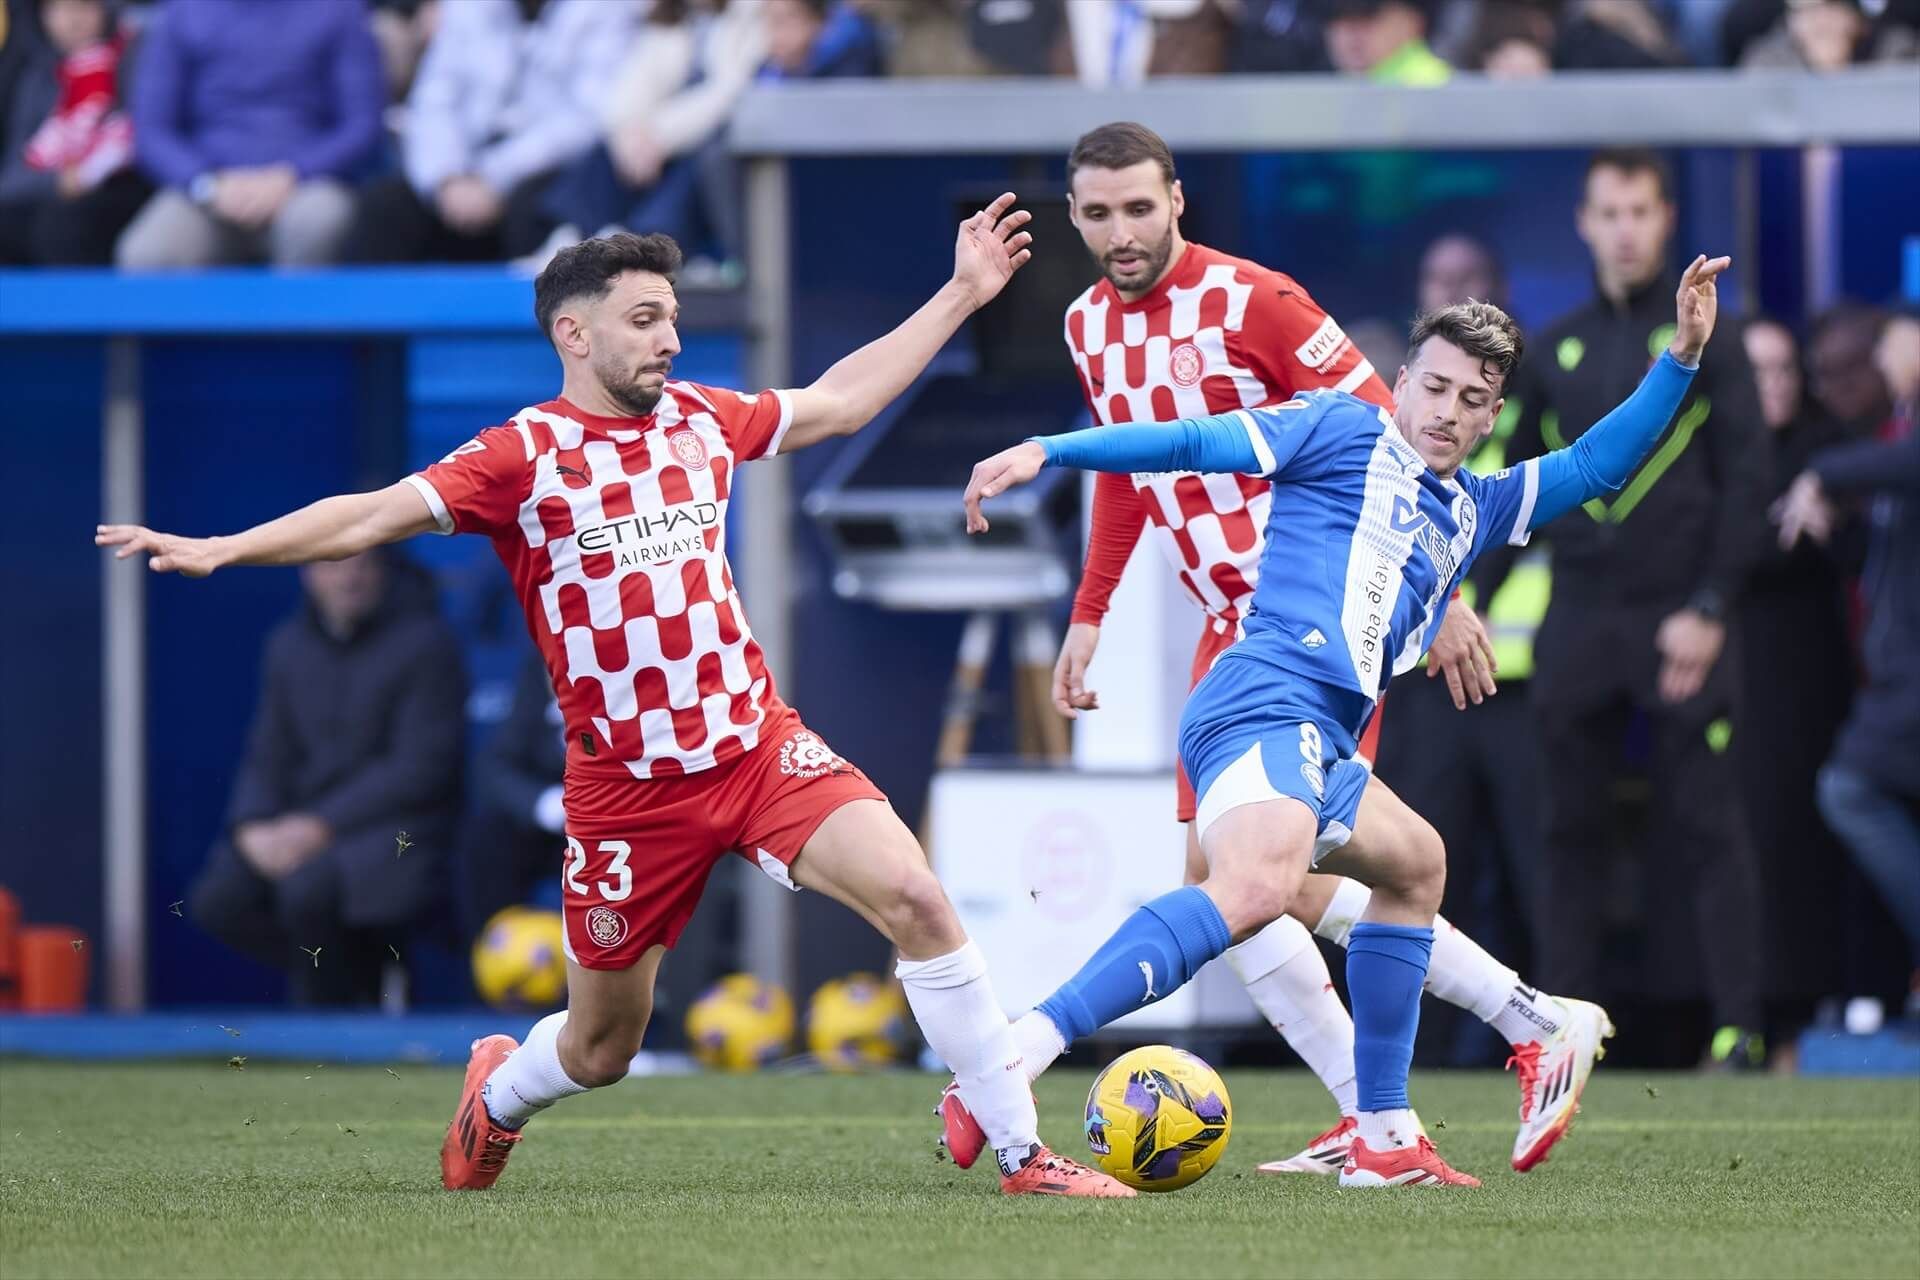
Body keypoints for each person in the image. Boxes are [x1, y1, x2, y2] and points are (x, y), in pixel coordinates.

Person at [99, 203, 1136, 1199]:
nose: (670, 340)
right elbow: (368, 517)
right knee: (602, 1048)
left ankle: (1020, 1147)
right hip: (628, 792)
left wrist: (962, 294)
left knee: (916, 897)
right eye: (645, 320)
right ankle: (498, 1093)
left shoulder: (702, 420)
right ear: (574, 332)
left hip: (755, 748)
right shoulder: (520, 457)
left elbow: (840, 401)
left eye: (672, 318)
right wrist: (227, 547)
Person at [962, 255, 1732, 1188]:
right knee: (1253, 889)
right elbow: (1193, 440)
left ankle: (1385, 1133)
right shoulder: (1337, 426)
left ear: (1492, 415)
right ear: (1401, 383)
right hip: (1264, 695)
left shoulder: (1476, 508)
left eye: (1472, 399)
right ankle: (1015, 1056)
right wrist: (1052, 450)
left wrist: (1681, 358)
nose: (1447, 411)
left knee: (1416, 866)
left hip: (1321, 732)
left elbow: (1597, 464)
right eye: (1434, 387)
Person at [1017, 121, 1595, 1179]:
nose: (1121, 231)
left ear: (1177, 199)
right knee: (1250, 884)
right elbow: (1131, 469)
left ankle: (1482, 1046)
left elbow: (1394, 425)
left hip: (1308, 621)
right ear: (1076, 217)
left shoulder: (1256, 299)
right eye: (1098, 214)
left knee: (1251, 882)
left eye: (1139, 207)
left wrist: (1437, 588)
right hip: (1228, 630)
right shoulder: (1085, 323)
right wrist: (1092, 608)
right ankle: (1412, 1095)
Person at [1506, 148, 1770, 1068]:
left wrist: (1711, 606)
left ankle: (1738, 1029)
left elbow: (1750, 482)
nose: (1625, 230)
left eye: (1641, 212)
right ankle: (1558, 1035)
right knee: (1565, 830)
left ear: (1666, 220)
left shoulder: (1714, 342)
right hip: (1579, 614)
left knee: (1709, 823)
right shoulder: (1554, 346)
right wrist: (1457, 598)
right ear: (1584, 223)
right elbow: (1517, 493)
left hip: (1679, 615)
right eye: (1609, 213)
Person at [1372, 232, 1551, 1069]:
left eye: (1471, 278)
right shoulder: (1381, 427)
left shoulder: (1532, 399)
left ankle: (1546, 1028)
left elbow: (1565, 495)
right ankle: (1423, 1056)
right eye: (1440, 278)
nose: (1451, 409)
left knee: (1533, 866)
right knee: (1416, 864)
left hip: (1520, 682)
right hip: (1416, 686)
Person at [186, 551, 466, 1006]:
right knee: (219, 899)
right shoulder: (287, 645)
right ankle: (352, 983)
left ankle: (326, 1019)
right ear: (307, 573)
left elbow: (422, 767)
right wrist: (252, 825)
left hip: (398, 829)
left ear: (383, 572)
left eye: (362, 566)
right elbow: (268, 751)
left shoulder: (427, 643)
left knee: (306, 890)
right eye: (333, 566)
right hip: (301, 824)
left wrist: (321, 825)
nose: (348, 579)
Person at [1781, 312, 1920, 1018]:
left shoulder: (1899, 447)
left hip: (1910, 686)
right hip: (1895, 677)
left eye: (1891, 345)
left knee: (1849, 788)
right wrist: (1835, 527)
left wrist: (1820, 474)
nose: (1884, 360)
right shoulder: (1898, 432)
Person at [1734, 317, 1857, 1016]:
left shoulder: (1826, 448)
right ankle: (1751, 1015)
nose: (1774, 385)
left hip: (1812, 674)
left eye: (1785, 370)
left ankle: (1810, 1010)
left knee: (1807, 835)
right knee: (1746, 840)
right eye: (1758, 372)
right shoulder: (1714, 450)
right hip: (1736, 675)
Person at [340, 0, 631, 264]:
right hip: (458, 173)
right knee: (385, 206)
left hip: (543, 169)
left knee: (539, 208)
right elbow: (433, 101)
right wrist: (447, 178)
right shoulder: (465, 8)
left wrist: (494, 178)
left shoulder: (608, 10)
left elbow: (586, 118)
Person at [115, 0, 383, 269]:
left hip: (308, 184)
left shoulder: (338, 9)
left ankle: (299, 300)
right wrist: (207, 184)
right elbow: (152, 130)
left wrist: (293, 175)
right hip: (206, 190)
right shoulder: (182, 12)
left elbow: (361, 124)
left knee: (318, 221)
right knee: (150, 252)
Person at [0, 0, 148, 265]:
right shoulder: (37, 77)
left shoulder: (132, 60)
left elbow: (144, 135)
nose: (73, 20)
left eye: (83, 7)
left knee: (60, 225)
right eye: (59, 9)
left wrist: (90, 172)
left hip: (121, 185)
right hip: (48, 186)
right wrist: (57, 182)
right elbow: (12, 174)